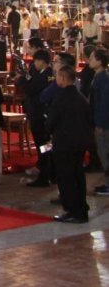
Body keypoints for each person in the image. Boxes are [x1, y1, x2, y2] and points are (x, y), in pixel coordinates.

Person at [47, 65, 91, 223]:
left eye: (58, 76)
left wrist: (49, 130)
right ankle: (81, 208)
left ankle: (73, 210)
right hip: (79, 143)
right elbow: (88, 118)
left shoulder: (61, 97)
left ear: (64, 78)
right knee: (78, 175)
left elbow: (51, 120)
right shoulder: (80, 97)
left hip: (64, 143)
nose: (56, 79)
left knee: (66, 177)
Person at [19, 49, 55, 187]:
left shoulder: (45, 75)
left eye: (35, 61)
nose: (34, 64)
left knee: (43, 146)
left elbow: (31, 89)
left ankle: (45, 175)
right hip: (41, 115)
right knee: (46, 146)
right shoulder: (46, 74)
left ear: (42, 61)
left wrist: (22, 79)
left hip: (40, 116)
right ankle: (50, 172)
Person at [89, 49, 109, 197]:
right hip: (98, 120)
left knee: (105, 152)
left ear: (100, 61)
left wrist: (100, 124)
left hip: (104, 124)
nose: (89, 60)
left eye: (92, 58)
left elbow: (104, 103)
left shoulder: (104, 79)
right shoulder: (97, 77)